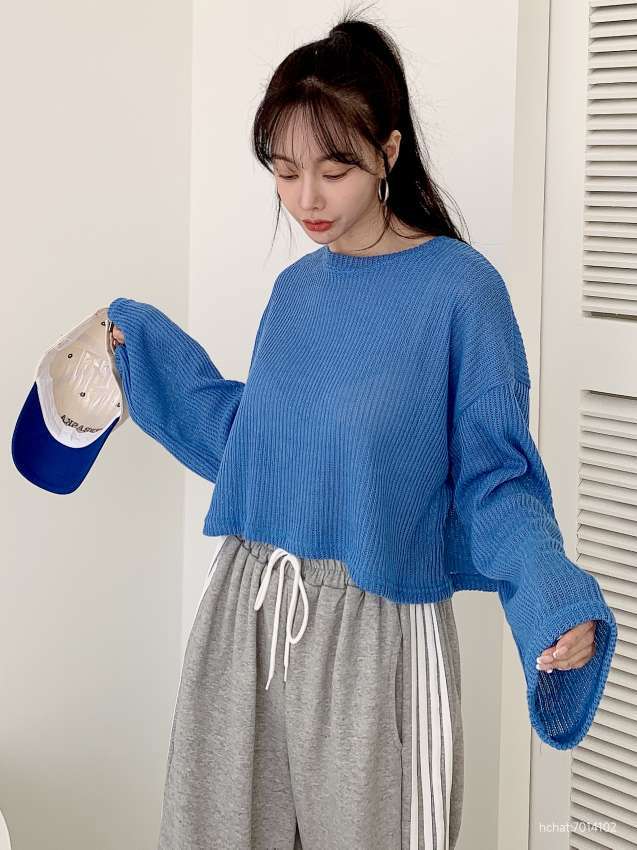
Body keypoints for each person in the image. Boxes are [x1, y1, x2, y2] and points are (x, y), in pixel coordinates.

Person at [108, 9, 617, 850]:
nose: (305, 199)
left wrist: (551, 596)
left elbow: (495, 481)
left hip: (374, 636)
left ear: (387, 151)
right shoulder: (295, 292)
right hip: (247, 616)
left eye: (334, 169)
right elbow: (258, 446)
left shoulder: (460, 292)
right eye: (283, 172)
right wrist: (143, 351)